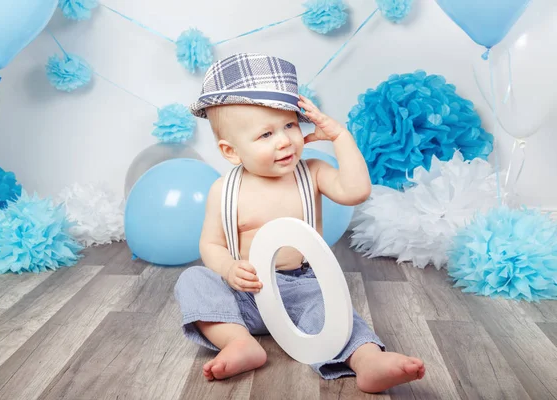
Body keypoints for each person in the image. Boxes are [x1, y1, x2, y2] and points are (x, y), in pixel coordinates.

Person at [174, 53, 425, 393]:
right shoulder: (224, 190)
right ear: (231, 151)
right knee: (193, 280)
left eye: (290, 125)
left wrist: (340, 137)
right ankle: (238, 341)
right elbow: (212, 244)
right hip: (245, 293)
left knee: (336, 314)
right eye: (265, 134)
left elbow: (357, 190)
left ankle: (367, 360)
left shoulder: (313, 173)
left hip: (302, 287)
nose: (284, 140)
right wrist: (230, 269)